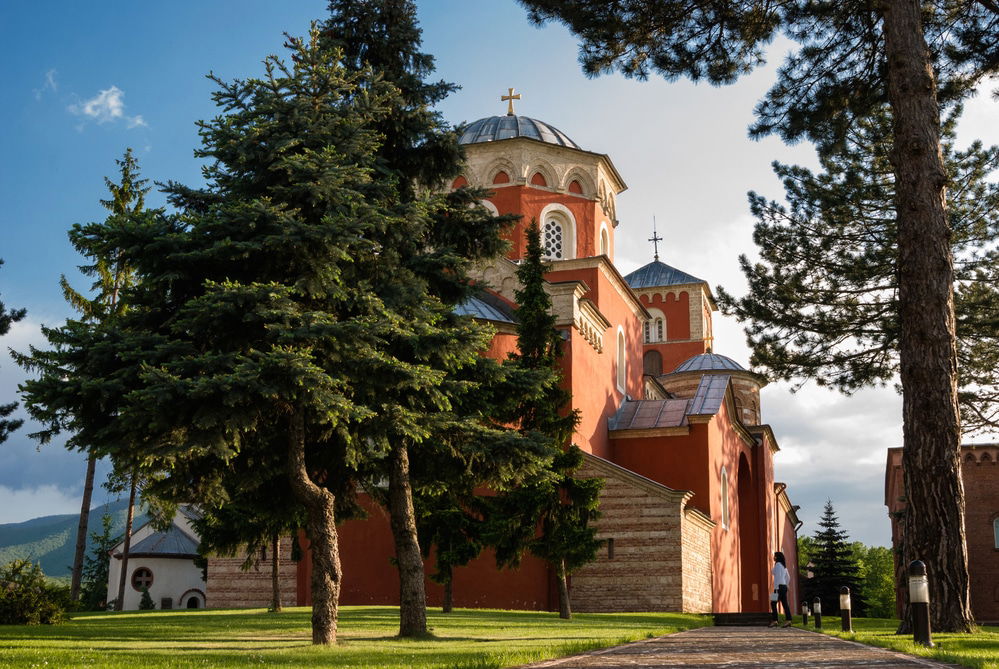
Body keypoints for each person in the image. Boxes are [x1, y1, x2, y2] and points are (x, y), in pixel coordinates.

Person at [769, 551, 793, 627]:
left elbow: (773, 573)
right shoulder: (783, 566)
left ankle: (775, 620)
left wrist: (777, 588)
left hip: (778, 587)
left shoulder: (778, 565)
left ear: (777, 557)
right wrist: (786, 585)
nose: (773, 557)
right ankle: (788, 620)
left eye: (774, 556)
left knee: (772, 603)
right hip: (783, 587)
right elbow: (788, 577)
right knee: (785, 604)